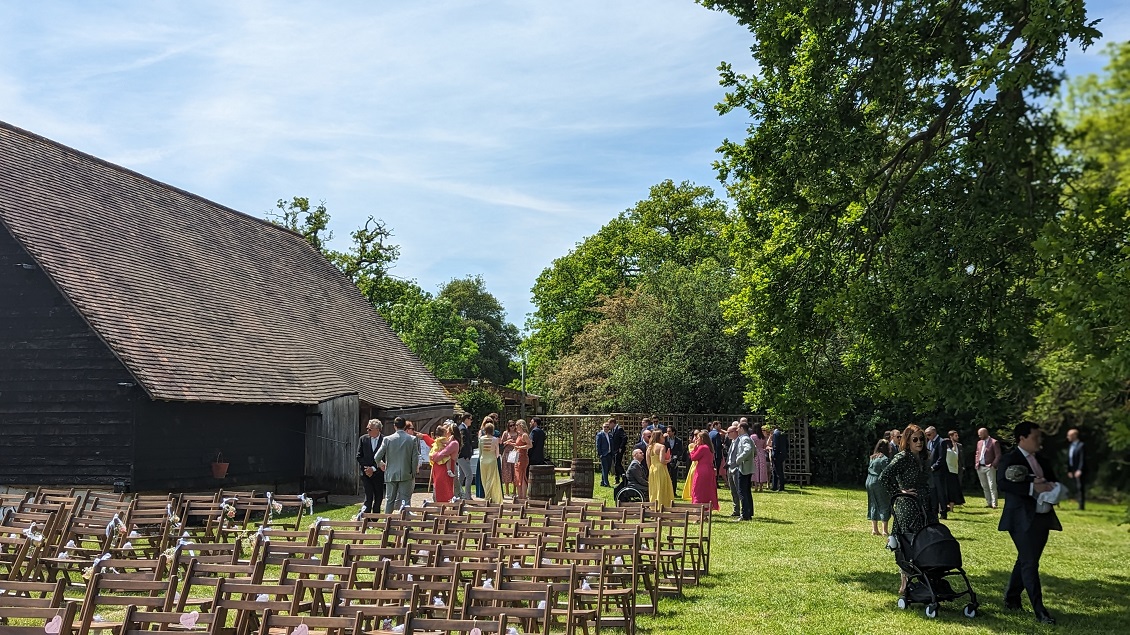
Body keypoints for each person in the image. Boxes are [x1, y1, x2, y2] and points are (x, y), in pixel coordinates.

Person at [998, 421, 1062, 625]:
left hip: (1042, 517)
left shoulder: (1042, 460)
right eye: (1035, 437)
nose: (1039, 441)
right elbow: (1003, 483)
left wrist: (1053, 490)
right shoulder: (1010, 459)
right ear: (1022, 439)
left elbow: (1053, 481)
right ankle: (1040, 611)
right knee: (1029, 562)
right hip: (1019, 519)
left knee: (1027, 558)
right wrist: (1031, 488)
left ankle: (1011, 597)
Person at [878, 424, 931, 598]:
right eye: (914, 439)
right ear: (907, 441)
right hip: (907, 507)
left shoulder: (923, 458)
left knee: (925, 542)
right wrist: (899, 491)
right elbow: (884, 476)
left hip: (924, 505)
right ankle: (905, 584)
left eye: (921, 439)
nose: (919, 442)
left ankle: (923, 581)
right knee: (908, 543)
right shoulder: (902, 457)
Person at [373, 416, 420, 513]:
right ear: (404, 426)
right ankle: (406, 523)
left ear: (394, 426)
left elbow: (377, 456)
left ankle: (387, 522)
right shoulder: (412, 439)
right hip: (406, 473)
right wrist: (413, 472)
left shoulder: (387, 439)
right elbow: (415, 458)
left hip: (390, 473)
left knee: (390, 500)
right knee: (405, 500)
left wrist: (381, 464)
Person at [356, 419, 386, 514]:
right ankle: (366, 517)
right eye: (367, 429)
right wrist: (367, 469)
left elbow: (385, 458)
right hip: (366, 473)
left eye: (370, 429)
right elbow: (359, 456)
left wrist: (373, 468)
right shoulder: (363, 439)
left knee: (378, 496)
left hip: (378, 473)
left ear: (377, 429)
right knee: (368, 496)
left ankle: (376, 517)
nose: (367, 431)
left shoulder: (385, 440)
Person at [865, 439, 892, 536]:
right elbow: (887, 474)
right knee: (884, 504)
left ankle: (874, 529)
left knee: (873, 504)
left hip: (869, 481)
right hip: (878, 482)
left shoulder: (872, 457)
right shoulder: (884, 459)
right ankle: (884, 530)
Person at [429, 422, 460, 503]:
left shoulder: (453, 443)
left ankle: (445, 509)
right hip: (440, 468)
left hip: (444, 469)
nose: (446, 432)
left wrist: (433, 456)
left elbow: (442, 454)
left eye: (448, 431)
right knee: (439, 488)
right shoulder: (447, 441)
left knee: (444, 490)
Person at [689, 430, 719, 511]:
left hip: (701, 471)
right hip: (709, 470)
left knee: (698, 490)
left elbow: (693, 458)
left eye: (698, 438)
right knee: (707, 490)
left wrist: (693, 450)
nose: (696, 440)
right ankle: (706, 510)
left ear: (702, 438)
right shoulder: (709, 447)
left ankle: (698, 510)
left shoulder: (702, 448)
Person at [731, 422, 755, 519]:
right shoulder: (748, 438)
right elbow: (755, 450)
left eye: (738, 428)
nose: (736, 430)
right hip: (747, 468)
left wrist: (739, 459)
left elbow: (748, 449)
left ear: (741, 428)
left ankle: (745, 514)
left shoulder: (744, 438)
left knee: (742, 491)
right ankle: (748, 513)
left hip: (743, 468)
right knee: (747, 491)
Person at [646, 428, 675, 508]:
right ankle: (662, 506)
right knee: (662, 488)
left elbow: (648, 461)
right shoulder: (662, 446)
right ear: (659, 437)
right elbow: (662, 460)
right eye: (662, 435)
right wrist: (668, 460)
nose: (663, 437)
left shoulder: (649, 447)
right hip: (661, 469)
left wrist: (650, 470)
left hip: (652, 468)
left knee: (654, 489)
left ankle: (653, 507)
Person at [478, 420, 504, 504]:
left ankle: (487, 494)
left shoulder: (481, 439)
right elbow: (497, 452)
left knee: (484, 478)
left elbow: (480, 451)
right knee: (490, 478)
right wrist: (496, 457)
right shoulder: (495, 439)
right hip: (492, 460)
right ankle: (488, 496)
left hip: (483, 459)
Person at [975, 427, 1001, 508]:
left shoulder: (994, 442)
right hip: (980, 467)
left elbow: (998, 455)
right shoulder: (979, 442)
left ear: (985, 433)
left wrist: (993, 465)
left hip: (989, 466)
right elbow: (977, 453)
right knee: (984, 486)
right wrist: (976, 463)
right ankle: (988, 502)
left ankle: (994, 503)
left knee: (992, 485)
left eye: (980, 434)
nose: (979, 436)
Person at [924, 426, 946, 520]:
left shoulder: (941, 442)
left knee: (940, 493)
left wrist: (933, 467)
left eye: (928, 434)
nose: (927, 437)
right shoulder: (929, 442)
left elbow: (941, 458)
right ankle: (934, 512)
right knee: (932, 493)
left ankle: (944, 512)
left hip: (938, 472)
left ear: (933, 433)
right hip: (930, 472)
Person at [944, 430, 966, 514]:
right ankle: (951, 507)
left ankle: (947, 506)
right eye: (956, 435)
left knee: (949, 490)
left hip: (949, 472)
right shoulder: (953, 452)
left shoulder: (948, 452)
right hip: (954, 472)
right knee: (953, 490)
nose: (958, 437)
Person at [455, 413, 475, 500]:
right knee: (469, 475)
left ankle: (457, 492)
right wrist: (466, 455)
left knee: (462, 475)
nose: (471, 421)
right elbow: (463, 444)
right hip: (463, 456)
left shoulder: (463, 428)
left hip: (461, 456)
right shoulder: (462, 429)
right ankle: (467, 495)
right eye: (470, 419)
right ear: (466, 419)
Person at [1066, 428, 1085, 510]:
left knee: (1080, 487)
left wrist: (1080, 470)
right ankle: (1076, 502)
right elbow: (1070, 458)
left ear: (1074, 435)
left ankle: (1081, 505)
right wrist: (1069, 470)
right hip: (1072, 469)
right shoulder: (1071, 446)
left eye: (1069, 435)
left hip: (1078, 470)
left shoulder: (1081, 445)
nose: (1067, 437)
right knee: (1075, 487)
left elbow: (1082, 458)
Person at [512, 420, 531, 500]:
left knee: (522, 476)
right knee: (517, 477)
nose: (515, 427)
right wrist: (512, 444)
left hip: (523, 458)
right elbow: (517, 445)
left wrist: (520, 447)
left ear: (521, 425)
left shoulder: (524, 435)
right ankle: (519, 495)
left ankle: (523, 496)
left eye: (516, 425)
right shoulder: (519, 435)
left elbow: (530, 445)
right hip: (517, 457)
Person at [500, 420, 518, 497]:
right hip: (507, 453)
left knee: (514, 471)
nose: (512, 427)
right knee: (507, 471)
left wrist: (514, 442)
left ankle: (514, 490)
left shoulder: (518, 433)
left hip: (514, 452)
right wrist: (507, 441)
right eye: (511, 425)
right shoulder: (505, 433)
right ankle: (506, 490)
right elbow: (502, 443)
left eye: (513, 425)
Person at [769, 425, 789, 492]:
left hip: (777, 455)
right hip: (782, 454)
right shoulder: (782, 433)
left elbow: (775, 445)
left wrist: (774, 455)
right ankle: (774, 486)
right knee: (776, 470)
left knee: (778, 471)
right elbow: (787, 444)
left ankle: (781, 486)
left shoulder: (775, 434)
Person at [682, 430, 699, 501]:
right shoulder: (691, 445)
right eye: (695, 435)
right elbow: (693, 454)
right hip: (694, 465)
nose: (696, 437)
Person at [751, 423, 768, 492]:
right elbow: (764, 446)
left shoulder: (752, 436)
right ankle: (761, 486)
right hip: (762, 454)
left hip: (755, 453)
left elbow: (751, 445)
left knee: (755, 469)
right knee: (762, 470)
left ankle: (755, 486)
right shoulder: (763, 437)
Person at [596, 419, 614, 487]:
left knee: (608, 468)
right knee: (605, 468)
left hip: (609, 453)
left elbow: (612, 444)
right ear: (602, 427)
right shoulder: (600, 434)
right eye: (604, 427)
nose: (606, 428)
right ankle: (606, 483)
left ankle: (602, 482)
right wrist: (600, 454)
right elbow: (598, 445)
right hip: (603, 454)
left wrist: (613, 452)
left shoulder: (610, 434)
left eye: (607, 427)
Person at [610, 418, 628, 484]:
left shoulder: (619, 429)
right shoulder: (612, 430)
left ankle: (624, 475)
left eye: (610, 424)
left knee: (617, 464)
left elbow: (625, 437)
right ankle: (617, 479)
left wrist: (621, 447)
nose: (609, 426)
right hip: (614, 449)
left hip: (619, 450)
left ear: (612, 423)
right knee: (616, 464)